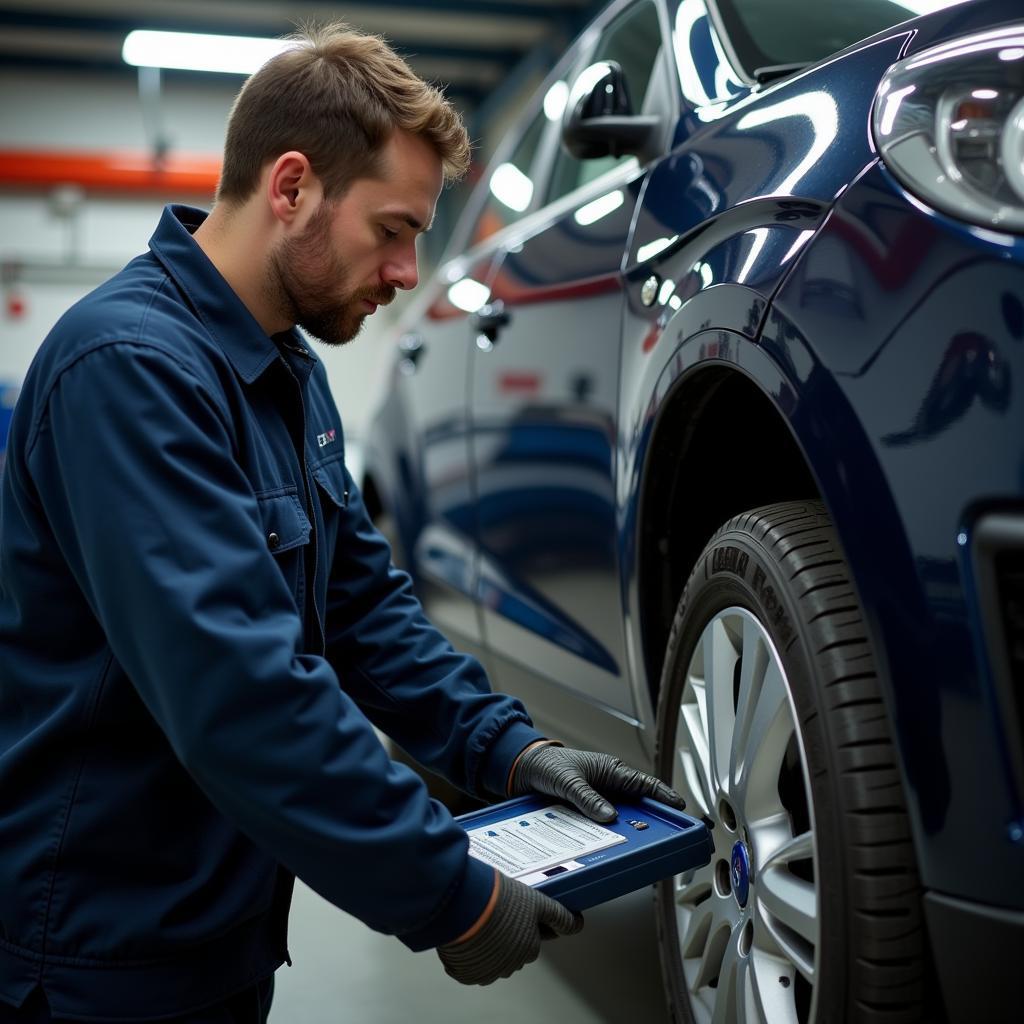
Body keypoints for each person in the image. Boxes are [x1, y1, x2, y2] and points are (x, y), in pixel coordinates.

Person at [0, 23, 684, 1023]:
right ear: (290, 189)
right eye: (394, 230)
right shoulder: (129, 368)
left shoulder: (289, 371)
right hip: (99, 958)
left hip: (219, 934)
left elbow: (367, 609)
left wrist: (509, 751)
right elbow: (241, 693)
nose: (410, 272)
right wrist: (446, 891)